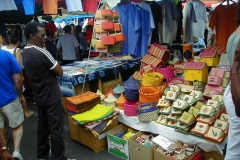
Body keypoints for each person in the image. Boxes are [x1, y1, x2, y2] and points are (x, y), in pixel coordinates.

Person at [22, 22, 69, 160]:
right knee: (55, 129)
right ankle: (58, 157)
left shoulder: (25, 52)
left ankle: (42, 155)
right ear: (32, 36)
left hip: (39, 96)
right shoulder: (41, 52)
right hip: (51, 96)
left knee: (43, 128)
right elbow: (60, 72)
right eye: (42, 35)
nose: (46, 38)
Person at [1, 33, 33, 118]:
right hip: (15, 75)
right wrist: (21, 76)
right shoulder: (17, 50)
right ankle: (26, 112)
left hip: (5, 76)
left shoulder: (3, 48)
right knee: (20, 95)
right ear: (18, 42)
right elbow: (18, 64)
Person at [0, 49, 24, 160]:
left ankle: (4, 150)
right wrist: (21, 95)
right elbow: (18, 79)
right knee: (17, 125)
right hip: (9, 97)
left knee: (0, 129)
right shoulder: (6, 55)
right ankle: (16, 151)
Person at [224, 2, 240, 159]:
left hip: (232, 90)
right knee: (236, 149)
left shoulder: (234, 35)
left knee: (235, 144)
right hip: (236, 94)